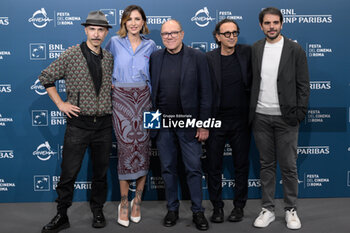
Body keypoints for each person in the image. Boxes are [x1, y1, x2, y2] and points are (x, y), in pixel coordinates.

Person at [39, 11, 113, 233]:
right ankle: (62, 215)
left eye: (101, 30)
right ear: (85, 30)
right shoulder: (71, 54)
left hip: (104, 125)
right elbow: (46, 77)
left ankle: (97, 210)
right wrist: (61, 104)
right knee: (68, 173)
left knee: (100, 173)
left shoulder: (109, 57)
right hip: (78, 125)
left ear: (106, 32)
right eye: (92, 29)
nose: (96, 34)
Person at [249, 7, 310, 230]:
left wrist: (299, 113)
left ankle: (291, 209)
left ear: (282, 24)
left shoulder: (295, 49)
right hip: (261, 117)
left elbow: (303, 85)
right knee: (266, 166)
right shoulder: (255, 49)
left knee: (289, 167)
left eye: (275, 23)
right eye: (267, 23)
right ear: (261, 26)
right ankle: (267, 209)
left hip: (287, 119)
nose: (271, 27)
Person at [149, 19, 212, 231]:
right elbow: (151, 93)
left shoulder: (198, 57)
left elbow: (206, 93)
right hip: (163, 124)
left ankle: (197, 212)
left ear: (182, 34)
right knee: (167, 168)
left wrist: (203, 125)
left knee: (193, 168)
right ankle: (172, 209)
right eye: (166, 34)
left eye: (174, 32)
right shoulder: (155, 57)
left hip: (190, 124)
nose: (169, 36)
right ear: (162, 37)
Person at [105, 5, 157, 228]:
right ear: (124, 22)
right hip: (121, 101)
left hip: (146, 100)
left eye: (138, 19)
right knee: (126, 149)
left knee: (144, 148)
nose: (134, 22)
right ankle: (124, 203)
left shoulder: (151, 45)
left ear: (143, 22)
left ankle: (138, 201)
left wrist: (155, 110)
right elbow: (104, 66)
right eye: (129, 19)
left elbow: (156, 76)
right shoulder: (115, 43)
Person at [205, 19, 252, 223]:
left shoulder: (247, 53)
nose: (231, 36)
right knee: (213, 167)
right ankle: (217, 208)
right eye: (227, 33)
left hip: (241, 122)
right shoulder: (208, 58)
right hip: (216, 122)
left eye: (234, 32)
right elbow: (202, 91)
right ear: (218, 37)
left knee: (241, 166)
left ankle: (239, 207)